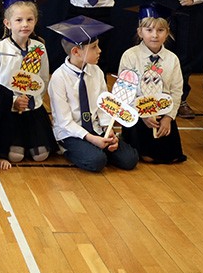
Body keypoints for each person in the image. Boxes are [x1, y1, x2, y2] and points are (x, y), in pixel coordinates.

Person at [47, 16, 138, 173]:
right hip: (71, 132)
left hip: (96, 128)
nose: (99, 50)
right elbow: (64, 122)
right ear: (76, 52)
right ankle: (67, 149)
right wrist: (92, 139)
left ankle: (98, 148)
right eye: (94, 47)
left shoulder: (96, 71)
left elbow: (104, 105)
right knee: (97, 161)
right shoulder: (59, 78)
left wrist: (108, 130)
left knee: (130, 159)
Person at [0, 0, 54, 163]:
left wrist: (34, 96)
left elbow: (44, 77)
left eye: (29, 19)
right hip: (9, 109)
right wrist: (13, 101)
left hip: (32, 108)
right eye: (18, 20)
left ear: (35, 21)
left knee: (41, 156)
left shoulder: (39, 47)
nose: (25, 24)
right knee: (15, 156)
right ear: (7, 23)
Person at [118, 4, 186, 164]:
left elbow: (177, 91)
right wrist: (142, 114)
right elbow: (124, 90)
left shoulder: (172, 59)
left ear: (167, 33)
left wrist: (168, 118)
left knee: (172, 157)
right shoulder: (130, 56)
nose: (155, 35)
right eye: (149, 30)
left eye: (160, 30)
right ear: (140, 32)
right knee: (147, 157)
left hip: (162, 112)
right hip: (137, 114)